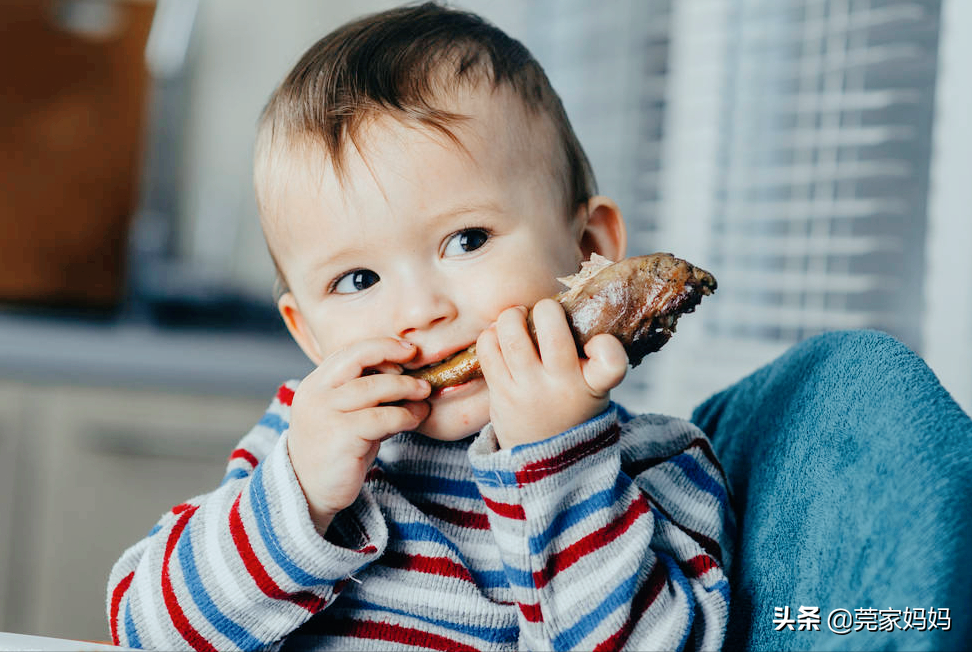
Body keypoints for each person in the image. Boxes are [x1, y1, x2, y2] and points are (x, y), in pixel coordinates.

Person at [107, 3, 733, 650]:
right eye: (356, 281)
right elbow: (144, 630)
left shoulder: (657, 466)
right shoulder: (302, 449)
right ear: (309, 335)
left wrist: (561, 459)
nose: (419, 310)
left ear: (590, 248)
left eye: (466, 240)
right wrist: (303, 496)